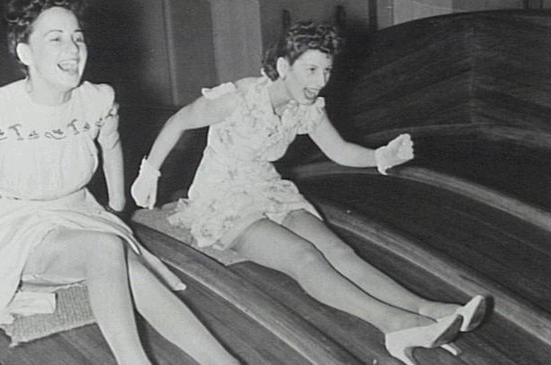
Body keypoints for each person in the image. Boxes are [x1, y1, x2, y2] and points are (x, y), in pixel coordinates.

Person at [131, 21, 487, 365]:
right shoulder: (238, 97)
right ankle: (394, 325)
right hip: (223, 198)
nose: (321, 82)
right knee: (304, 256)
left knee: (338, 250)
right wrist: (150, 172)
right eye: (312, 70)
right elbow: (180, 119)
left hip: (267, 188)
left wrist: (381, 156)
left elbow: (340, 150)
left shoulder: (307, 108)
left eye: (326, 71)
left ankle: (425, 308)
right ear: (284, 66)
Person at [0, 1, 239, 364]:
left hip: (79, 212)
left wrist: (116, 205)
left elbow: (111, 144)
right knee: (104, 247)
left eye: (78, 38)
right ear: (25, 52)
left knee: (131, 266)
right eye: (56, 39)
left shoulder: (97, 98)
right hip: (20, 227)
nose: (73, 49)